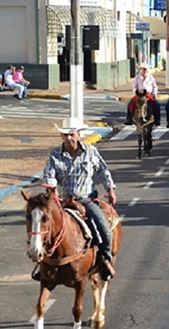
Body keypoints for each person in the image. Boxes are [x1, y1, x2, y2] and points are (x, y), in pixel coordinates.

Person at [39, 117, 117, 281]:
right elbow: (49, 176)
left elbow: (103, 171)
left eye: (72, 134)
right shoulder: (54, 155)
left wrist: (110, 189)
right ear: (62, 136)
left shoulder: (90, 151)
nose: (69, 138)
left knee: (104, 230)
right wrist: (52, 190)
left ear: (79, 134)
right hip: (62, 201)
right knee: (43, 228)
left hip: (86, 200)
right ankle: (43, 263)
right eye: (66, 135)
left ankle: (105, 262)